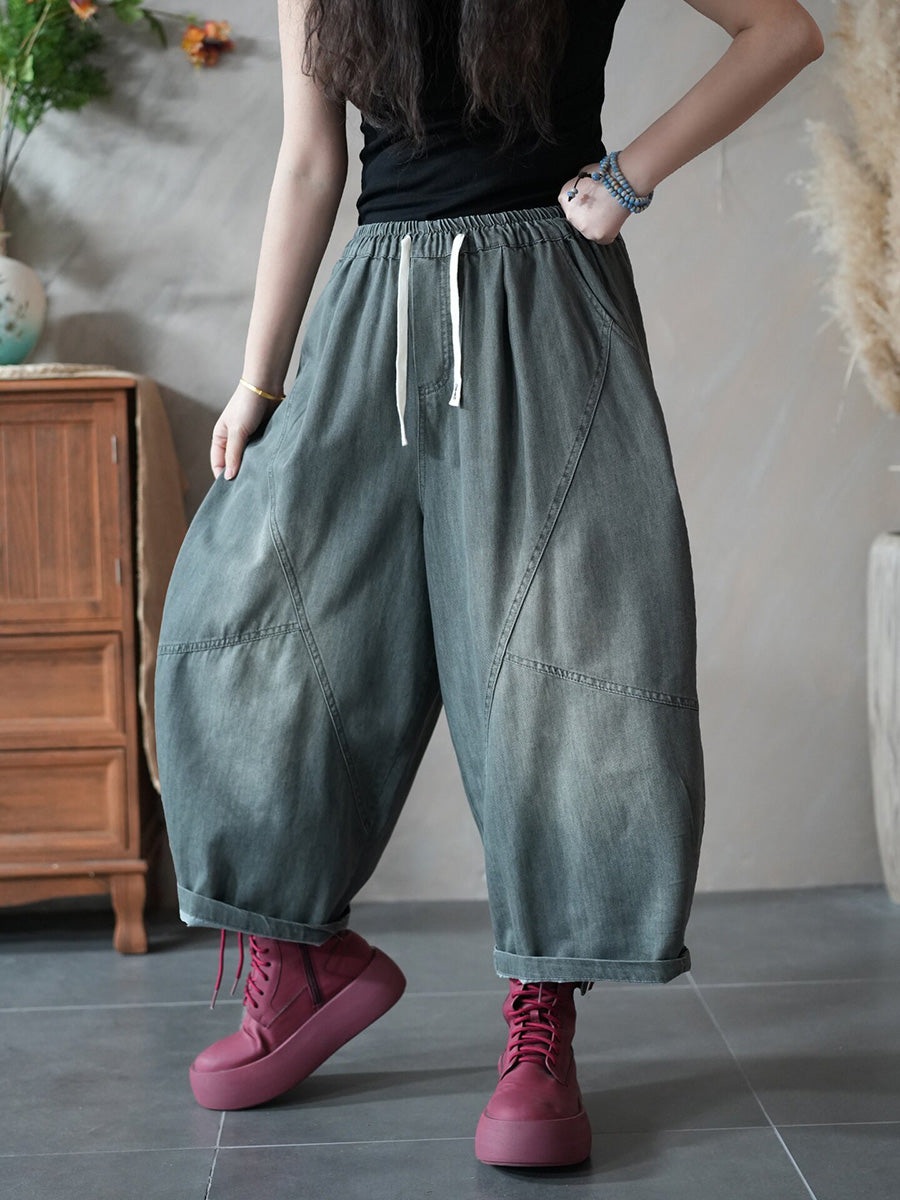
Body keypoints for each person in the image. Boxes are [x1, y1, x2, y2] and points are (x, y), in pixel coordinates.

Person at [153, 0, 824, 1169]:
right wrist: (258, 382)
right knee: (261, 622)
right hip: (372, 313)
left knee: (563, 657)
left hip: (547, 305)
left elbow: (783, 30)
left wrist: (628, 178)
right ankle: (298, 958)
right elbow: (310, 161)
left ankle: (541, 1016)